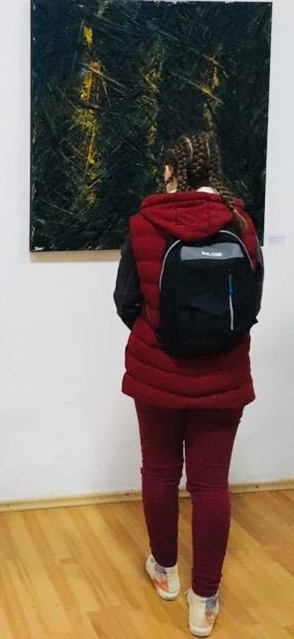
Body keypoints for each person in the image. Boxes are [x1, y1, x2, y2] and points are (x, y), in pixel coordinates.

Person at [113, 130, 264, 637]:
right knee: (211, 485)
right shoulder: (241, 223)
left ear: (170, 171)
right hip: (224, 376)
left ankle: (164, 571)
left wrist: (159, 333)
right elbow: (252, 301)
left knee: (159, 473)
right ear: (213, 169)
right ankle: (205, 600)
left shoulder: (143, 223)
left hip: (158, 371)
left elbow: (125, 300)